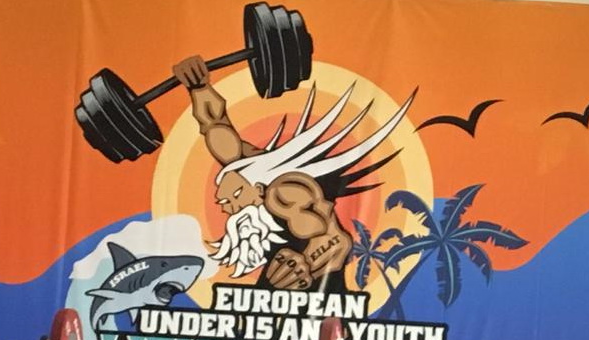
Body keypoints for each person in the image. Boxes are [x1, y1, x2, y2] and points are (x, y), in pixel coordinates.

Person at [170, 55, 413, 292]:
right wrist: (198, 86)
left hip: (319, 292)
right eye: (224, 202)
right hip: (276, 289)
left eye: (234, 198)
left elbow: (336, 241)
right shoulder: (247, 174)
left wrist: (306, 267)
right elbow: (215, 123)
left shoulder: (283, 191)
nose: (228, 208)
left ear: (259, 190)